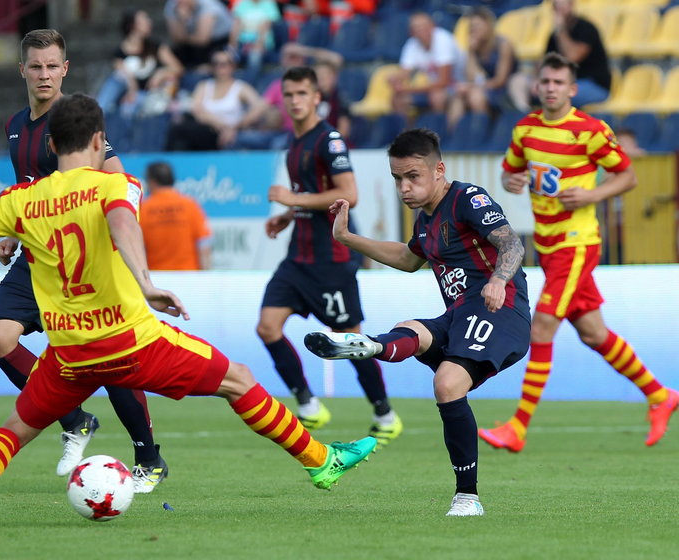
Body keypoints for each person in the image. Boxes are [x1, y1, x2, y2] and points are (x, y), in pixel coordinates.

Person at [0, 93, 377, 529]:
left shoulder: (20, 200)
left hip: (70, 353)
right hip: (131, 342)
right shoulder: (115, 186)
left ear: (52, 146)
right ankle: (319, 461)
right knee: (240, 380)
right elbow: (123, 225)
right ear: (99, 140)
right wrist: (146, 284)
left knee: (14, 430)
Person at [303, 128, 531, 516]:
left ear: (438, 170)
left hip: (500, 310)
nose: (404, 187)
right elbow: (409, 259)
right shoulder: (425, 222)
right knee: (414, 329)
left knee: (446, 382)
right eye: (397, 179)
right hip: (460, 314)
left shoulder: (467, 199)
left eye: (413, 176)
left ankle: (468, 498)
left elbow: (511, 243)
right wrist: (346, 237)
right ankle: (372, 345)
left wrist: (497, 279)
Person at [0, 29, 168, 492]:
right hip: (37, 258)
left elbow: (118, 181)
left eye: (53, 66)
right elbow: (31, 192)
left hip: (82, 262)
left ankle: (149, 457)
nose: (44, 74)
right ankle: (75, 418)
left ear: (65, 69)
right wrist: (13, 230)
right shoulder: (14, 124)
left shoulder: (76, 123)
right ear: (23, 70)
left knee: (106, 360)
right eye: (36, 66)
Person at [478, 52, 678, 453]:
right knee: (593, 333)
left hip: (577, 242)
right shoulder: (526, 129)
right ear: (537, 86)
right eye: (545, 81)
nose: (551, 88)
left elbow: (628, 176)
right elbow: (509, 170)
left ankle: (518, 426)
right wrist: (511, 180)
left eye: (558, 83)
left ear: (572, 89)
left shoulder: (589, 130)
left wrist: (592, 194)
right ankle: (661, 395)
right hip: (548, 245)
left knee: (542, 329)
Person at [257, 66, 403, 448]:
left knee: (350, 340)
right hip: (297, 258)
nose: (294, 101)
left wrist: (294, 200)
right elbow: (309, 193)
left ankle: (384, 412)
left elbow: (349, 194)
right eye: (288, 94)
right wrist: (288, 216)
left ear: (317, 97)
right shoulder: (295, 140)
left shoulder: (329, 140)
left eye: (302, 93)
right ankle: (307, 403)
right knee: (267, 327)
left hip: (331, 260)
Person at [165, 48, 269, 151]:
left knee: (182, 131)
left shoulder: (240, 87)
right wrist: (222, 127)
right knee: (179, 129)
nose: (219, 68)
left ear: (232, 66)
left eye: (224, 64)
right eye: (216, 64)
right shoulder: (204, 86)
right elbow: (197, 110)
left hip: (233, 132)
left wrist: (238, 126)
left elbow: (259, 106)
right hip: (208, 130)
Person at [94, 9, 183, 119]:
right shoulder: (119, 53)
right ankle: (97, 114)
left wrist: (160, 74)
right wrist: (132, 88)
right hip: (127, 95)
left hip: (148, 96)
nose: (149, 22)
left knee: (132, 105)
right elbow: (122, 74)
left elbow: (178, 68)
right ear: (132, 25)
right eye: (144, 20)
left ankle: (98, 115)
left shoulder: (155, 47)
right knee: (117, 80)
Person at [446, 6, 520, 131]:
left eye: (478, 26)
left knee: (476, 96)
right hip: (484, 87)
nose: (475, 30)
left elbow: (500, 80)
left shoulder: (503, 44)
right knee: (458, 98)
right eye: (472, 27)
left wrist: (472, 87)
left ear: (488, 26)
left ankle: (481, 135)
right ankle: (456, 138)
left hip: (505, 90)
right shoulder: (475, 48)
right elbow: (472, 77)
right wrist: (470, 52)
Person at [389, 12, 465, 118]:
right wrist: (395, 79)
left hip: (459, 84)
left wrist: (408, 89)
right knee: (398, 99)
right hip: (436, 87)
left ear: (432, 26)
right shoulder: (412, 44)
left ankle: (438, 131)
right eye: (416, 27)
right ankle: (406, 132)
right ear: (411, 32)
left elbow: (444, 82)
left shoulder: (443, 40)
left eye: (423, 26)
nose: (420, 30)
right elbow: (404, 73)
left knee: (437, 97)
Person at [140, 161, 212, 270]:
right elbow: (204, 246)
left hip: (156, 278)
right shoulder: (190, 205)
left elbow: (138, 249)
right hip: (189, 276)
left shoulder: (143, 209)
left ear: (151, 182)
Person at [544, 0, 611, 107]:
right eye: (556, 7)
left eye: (562, 6)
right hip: (567, 84)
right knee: (526, 86)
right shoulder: (554, 35)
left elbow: (573, 57)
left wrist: (561, 30)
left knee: (557, 94)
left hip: (594, 85)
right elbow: (545, 61)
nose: (559, 11)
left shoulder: (586, 28)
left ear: (571, 5)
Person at [164, 0, 233, 71]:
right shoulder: (172, 5)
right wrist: (182, 20)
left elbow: (202, 40)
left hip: (221, 41)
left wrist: (183, 37)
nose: (180, 1)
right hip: (193, 43)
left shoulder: (208, 5)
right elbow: (176, 39)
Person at [228, 0, 281, 73]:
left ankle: (250, 81)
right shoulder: (242, 3)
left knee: (255, 55)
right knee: (228, 55)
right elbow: (236, 26)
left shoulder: (269, 4)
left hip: (263, 43)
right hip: (242, 43)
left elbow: (266, 27)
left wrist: (258, 44)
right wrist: (232, 45)